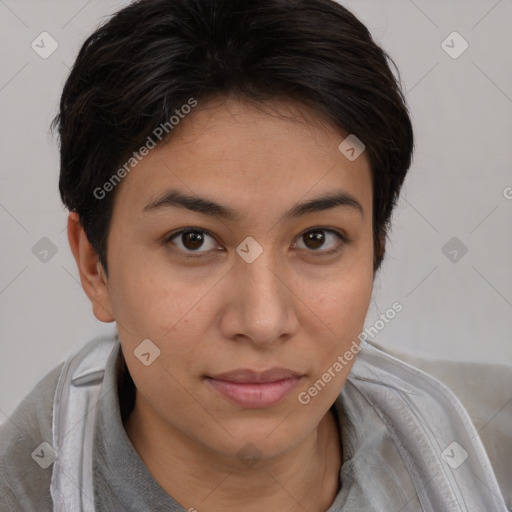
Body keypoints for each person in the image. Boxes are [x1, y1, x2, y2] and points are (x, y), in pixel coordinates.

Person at [0, 0, 510, 510]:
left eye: (317, 239)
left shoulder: (494, 450)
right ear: (95, 266)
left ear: (377, 247)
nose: (264, 321)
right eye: (193, 240)